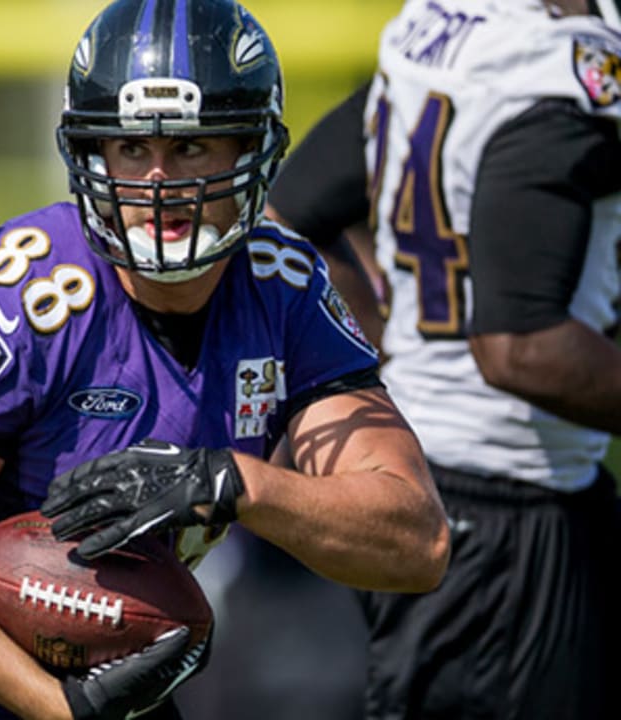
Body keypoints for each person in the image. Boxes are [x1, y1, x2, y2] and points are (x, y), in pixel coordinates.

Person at [0, 1, 451, 718]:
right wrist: (59, 706)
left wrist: (233, 481)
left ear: (250, 151)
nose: (157, 182)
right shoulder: (16, 306)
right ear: (91, 155)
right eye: (130, 149)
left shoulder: (285, 290)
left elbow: (415, 541)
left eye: (189, 148)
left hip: (127, 693)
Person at [264, 1, 621, 717]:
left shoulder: (440, 28)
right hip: (504, 510)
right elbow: (520, 347)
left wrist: (379, 350)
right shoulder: (551, 71)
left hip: (463, 481)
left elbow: (286, 216)